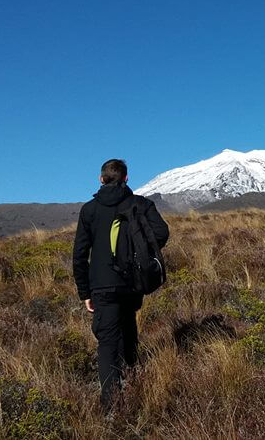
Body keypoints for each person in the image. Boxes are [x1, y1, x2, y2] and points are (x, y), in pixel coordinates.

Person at [72, 158, 169, 410]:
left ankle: (112, 407)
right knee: (128, 327)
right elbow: (162, 232)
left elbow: (79, 255)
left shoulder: (89, 210)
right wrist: (141, 251)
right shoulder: (141, 204)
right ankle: (134, 376)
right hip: (133, 282)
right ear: (126, 178)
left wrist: (85, 292)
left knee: (107, 342)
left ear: (101, 179)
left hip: (101, 286)